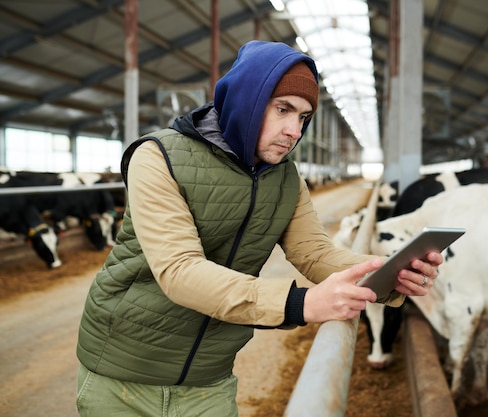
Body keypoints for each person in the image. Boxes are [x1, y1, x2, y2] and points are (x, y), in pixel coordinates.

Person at [75, 40, 443, 417]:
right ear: (248, 100)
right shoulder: (158, 156)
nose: (294, 131)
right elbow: (179, 270)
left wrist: (386, 273)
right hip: (122, 375)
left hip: (209, 379)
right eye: (283, 109)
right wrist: (301, 304)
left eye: (302, 117)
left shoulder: (286, 180)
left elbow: (314, 253)